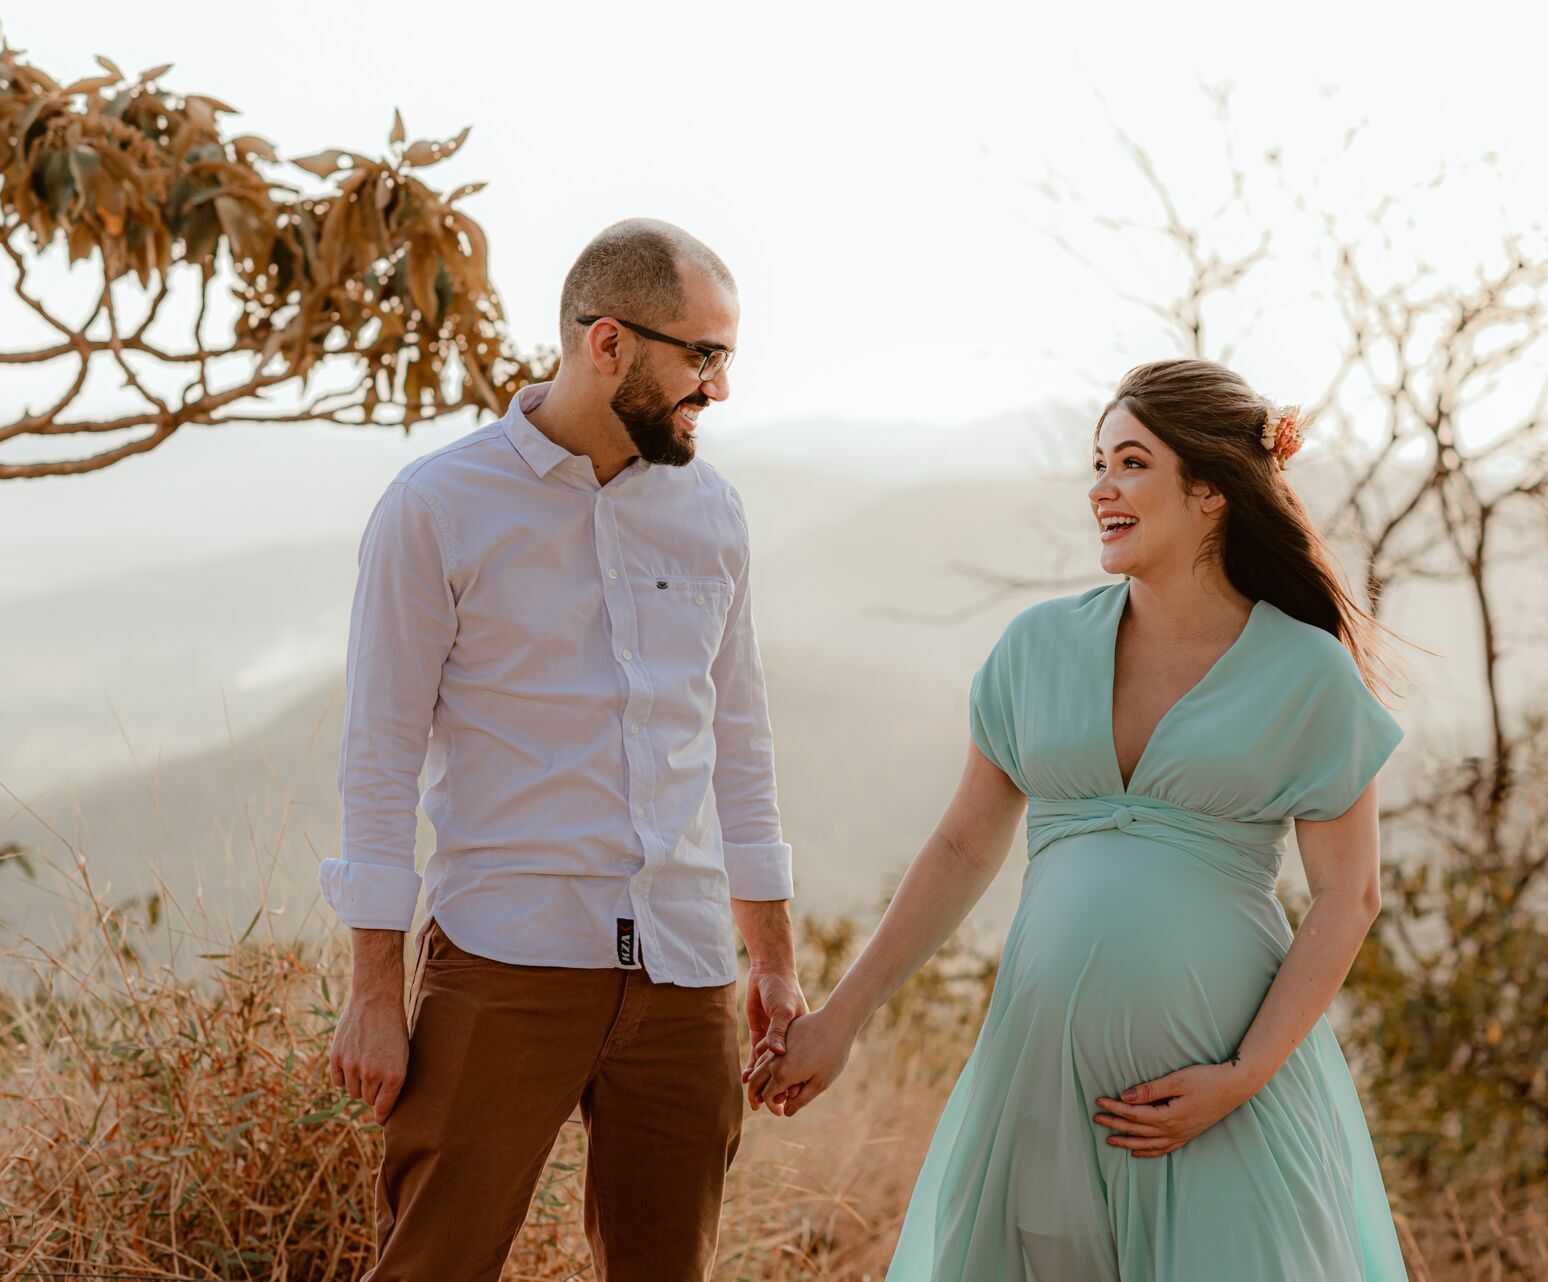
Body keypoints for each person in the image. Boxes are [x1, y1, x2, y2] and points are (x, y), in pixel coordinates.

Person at [748, 357, 1412, 1279]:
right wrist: (844, 1017)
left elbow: (1351, 896)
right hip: (1039, 1088)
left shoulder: (1306, 672)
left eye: (1132, 463)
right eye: (1098, 463)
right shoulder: (1038, 648)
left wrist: (1240, 1078)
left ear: (1212, 490)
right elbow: (960, 844)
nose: (1102, 488)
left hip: (1219, 1098)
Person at [321, 218, 806, 1282]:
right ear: (608, 342)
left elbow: (740, 743)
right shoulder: (436, 508)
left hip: (684, 971)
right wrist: (373, 986)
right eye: (703, 354)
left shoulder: (712, 512)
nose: (718, 387)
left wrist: (770, 958)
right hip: (503, 961)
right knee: (431, 1265)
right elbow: (378, 756)